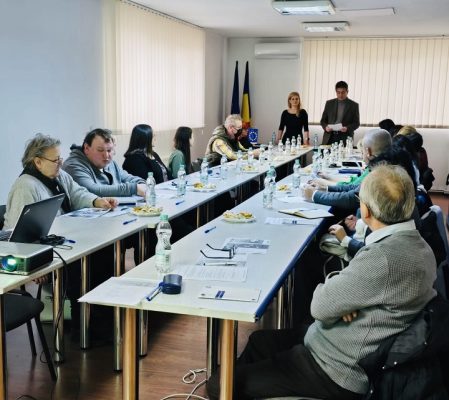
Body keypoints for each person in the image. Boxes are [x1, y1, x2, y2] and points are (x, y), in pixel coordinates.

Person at [207, 164, 437, 400]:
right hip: (337, 343)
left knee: (220, 386)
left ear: (365, 211)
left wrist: (339, 298)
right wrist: (343, 302)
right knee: (258, 341)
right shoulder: (420, 247)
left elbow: (320, 306)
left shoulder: (383, 258)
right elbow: (341, 301)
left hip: (334, 369)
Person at [4, 133, 117, 333]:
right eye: (55, 160)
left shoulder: (58, 175)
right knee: (83, 268)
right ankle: (83, 326)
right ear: (38, 162)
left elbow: (77, 192)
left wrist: (96, 201)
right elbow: (16, 232)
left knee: (104, 254)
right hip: (41, 253)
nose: (60, 164)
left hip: (61, 242)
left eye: (60, 159)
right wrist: (33, 263)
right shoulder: (25, 186)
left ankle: (100, 318)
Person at [303, 128, 392, 212]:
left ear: (368, 152)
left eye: (363, 152)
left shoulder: (379, 173)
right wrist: (325, 188)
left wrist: (314, 195)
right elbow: (355, 187)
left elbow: (352, 198)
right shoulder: (386, 166)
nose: (362, 156)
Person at [63, 128, 147, 197]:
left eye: (109, 150)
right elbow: (93, 190)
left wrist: (142, 183)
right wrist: (133, 188)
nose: (106, 155)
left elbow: (127, 178)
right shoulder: (73, 165)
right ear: (87, 148)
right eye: (100, 150)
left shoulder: (109, 162)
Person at [320, 81, 360, 146]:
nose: (340, 95)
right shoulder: (329, 103)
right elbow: (323, 121)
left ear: (347, 92)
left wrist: (347, 128)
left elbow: (356, 123)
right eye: (338, 92)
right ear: (336, 92)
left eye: (343, 92)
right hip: (330, 137)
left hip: (345, 138)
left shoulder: (354, 105)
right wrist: (326, 127)